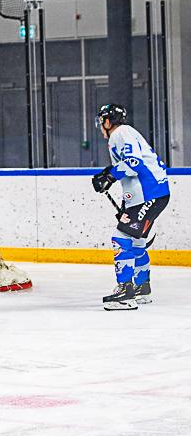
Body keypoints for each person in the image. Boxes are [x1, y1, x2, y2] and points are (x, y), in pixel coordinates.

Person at [92, 103, 170, 310]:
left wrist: (109, 175)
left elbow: (134, 162)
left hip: (149, 194)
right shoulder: (127, 133)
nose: (101, 126)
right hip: (151, 194)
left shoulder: (121, 133)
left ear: (107, 121)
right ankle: (141, 289)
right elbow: (131, 166)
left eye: (102, 121)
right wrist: (111, 176)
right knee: (136, 243)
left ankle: (125, 293)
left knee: (121, 240)